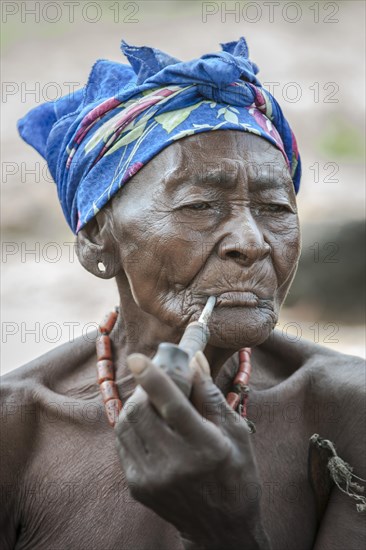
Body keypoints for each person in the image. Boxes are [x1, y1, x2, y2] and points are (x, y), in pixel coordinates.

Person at [1, 38, 365, 550]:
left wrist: (227, 529)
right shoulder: (16, 431)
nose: (251, 242)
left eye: (276, 209)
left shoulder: (349, 410)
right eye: (200, 205)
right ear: (95, 238)